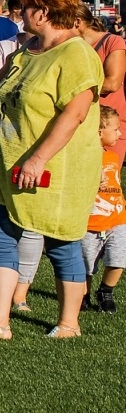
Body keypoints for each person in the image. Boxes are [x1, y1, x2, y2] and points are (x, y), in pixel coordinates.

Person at [0, 0, 102, 340]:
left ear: (44, 12)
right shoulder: (26, 51)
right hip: (6, 162)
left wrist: (38, 159)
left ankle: (69, 324)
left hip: (53, 168)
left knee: (60, 242)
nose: (20, 12)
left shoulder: (77, 54)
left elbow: (75, 113)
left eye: (25, 6)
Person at [83, 105, 124, 314]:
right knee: (86, 265)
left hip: (117, 219)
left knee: (119, 258)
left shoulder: (113, 157)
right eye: (115, 129)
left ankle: (106, 291)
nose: (120, 133)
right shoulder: (83, 158)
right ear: (99, 132)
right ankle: (82, 296)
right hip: (90, 222)